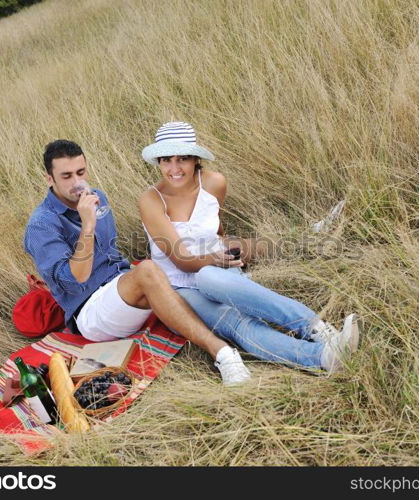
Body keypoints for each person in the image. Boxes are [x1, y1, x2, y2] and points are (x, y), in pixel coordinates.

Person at [24, 139, 251, 386]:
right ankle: (223, 353)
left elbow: (110, 253)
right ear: (50, 179)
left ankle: (243, 315)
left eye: (81, 172)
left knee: (170, 267)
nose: (77, 182)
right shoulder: (42, 225)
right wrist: (87, 224)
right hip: (90, 311)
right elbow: (74, 279)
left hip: (120, 286)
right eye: (66, 176)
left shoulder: (97, 196)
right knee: (149, 271)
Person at [138, 122, 361, 373]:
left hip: (216, 268)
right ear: (158, 161)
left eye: (183, 159)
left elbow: (213, 225)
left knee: (211, 278)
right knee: (237, 322)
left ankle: (316, 327)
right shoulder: (151, 200)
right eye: (166, 160)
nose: (174, 169)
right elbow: (181, 259)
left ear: (195, 159)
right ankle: (324, 357)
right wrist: (216, 258)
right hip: (178, 284)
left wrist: (226, 250)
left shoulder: (214, 183)